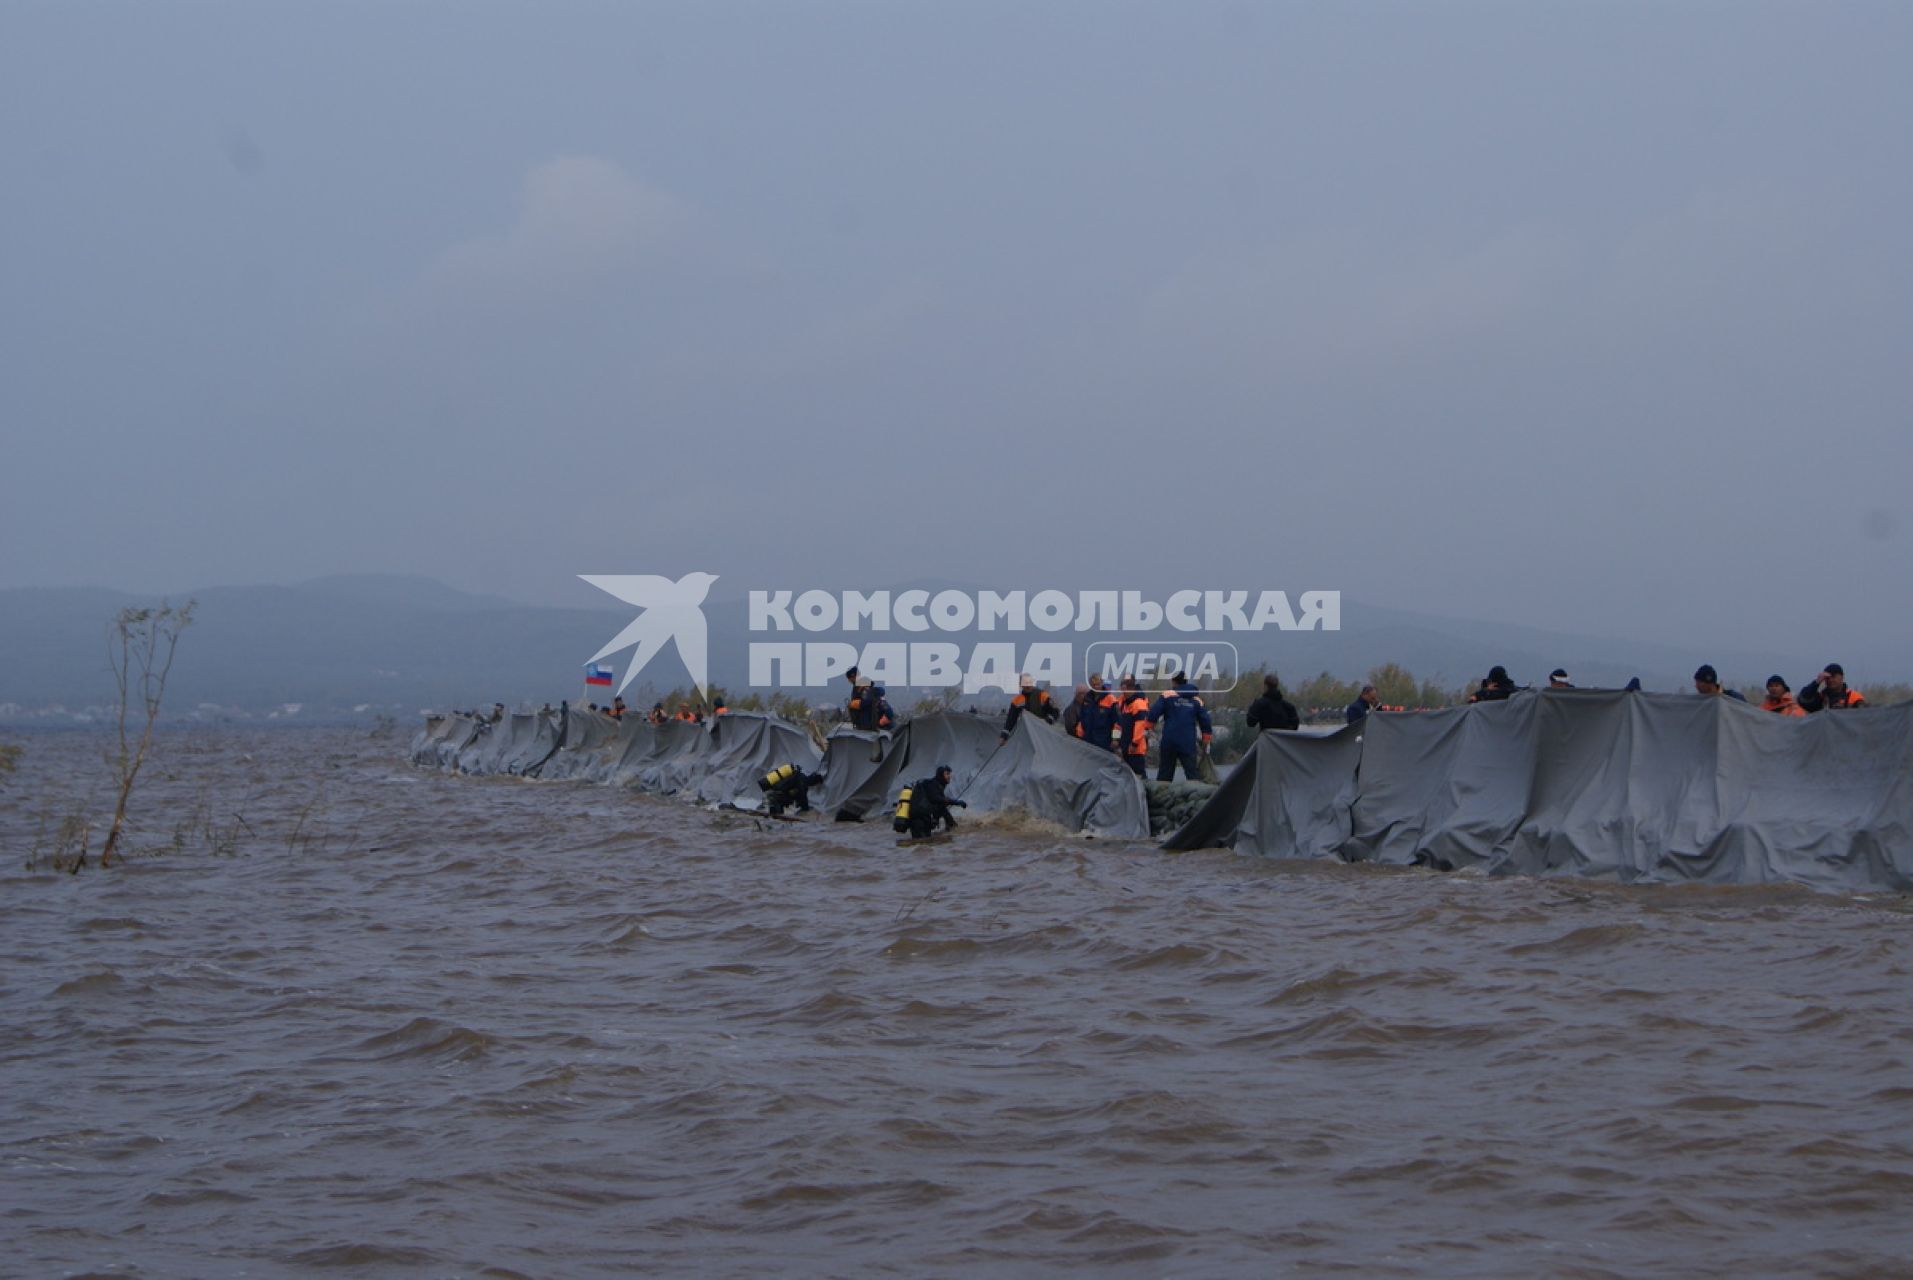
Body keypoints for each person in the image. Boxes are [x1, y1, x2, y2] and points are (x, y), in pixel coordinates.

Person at [1147, 672, 1213, 783]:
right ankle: (1198, 796)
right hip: (1187, 742)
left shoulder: (1167, 696)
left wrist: (1148, 728)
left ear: (1174, 682)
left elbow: (1153, 714)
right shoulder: (1196, 700)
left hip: (1169, 741)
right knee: (1192, 774)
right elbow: (1205, 721)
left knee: (1164, 776)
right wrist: (1206, 740)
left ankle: (1161, 798)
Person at [895, 765, 965, 838]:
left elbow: (940, 806)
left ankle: (951, 828)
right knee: (921, 844)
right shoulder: (932, 784)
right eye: (947, 774)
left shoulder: (936, 785)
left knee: (925, 844)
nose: (949, 776)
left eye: (949, 774)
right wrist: (956, 802)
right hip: (918, 820)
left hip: (924, 819)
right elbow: (936, 799)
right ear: (941, 775)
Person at [1001, 674, 1060, 740]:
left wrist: (1049, 720)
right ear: (1020, 685)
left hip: (1043, 735)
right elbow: (1011, 719)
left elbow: (1055, 711)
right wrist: (1004, 735)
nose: (1027, 685)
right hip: (1024, 736)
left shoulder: (1043, 695)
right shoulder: (1016, 700)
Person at [1073, 674, 1122, 752]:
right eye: (1093, 684)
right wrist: (1080, 733)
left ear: (1102, 683)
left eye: (1098, 684)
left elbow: (1117, 723)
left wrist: (1115, 739)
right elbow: (1082, 718)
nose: (1096, 686)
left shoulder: (1111, 700)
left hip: (1104, 743)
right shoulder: (1087, 699)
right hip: (1088, 741)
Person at [1115, 676, 1151, 776]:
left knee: (1139, 775)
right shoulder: (1123, 703)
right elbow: (1117, 724)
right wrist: (1115, 738)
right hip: (1125, 747)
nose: (1123, 693)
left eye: (1124, 690)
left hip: (1136, 749)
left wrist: (1134, 744)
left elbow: (1140, 726)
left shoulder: (1138, 704)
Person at [758, 763, 826, 816]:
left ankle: (773, 818)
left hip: (774, 792)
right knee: (778, 814)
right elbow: (802, 796)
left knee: (776, 810)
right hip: (778, 795)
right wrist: (806, 809)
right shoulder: (803, 780)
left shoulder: (799, 776)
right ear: (814, 781)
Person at [1798, 663, 1867, 712]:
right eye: (1827, 678)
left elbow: (1864, 717)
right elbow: (1803, 699)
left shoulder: (1853, 697)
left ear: (1842, 677)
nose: (1830, 680)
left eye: (1833, 676)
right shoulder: (1820, 699)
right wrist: (1816, 682)